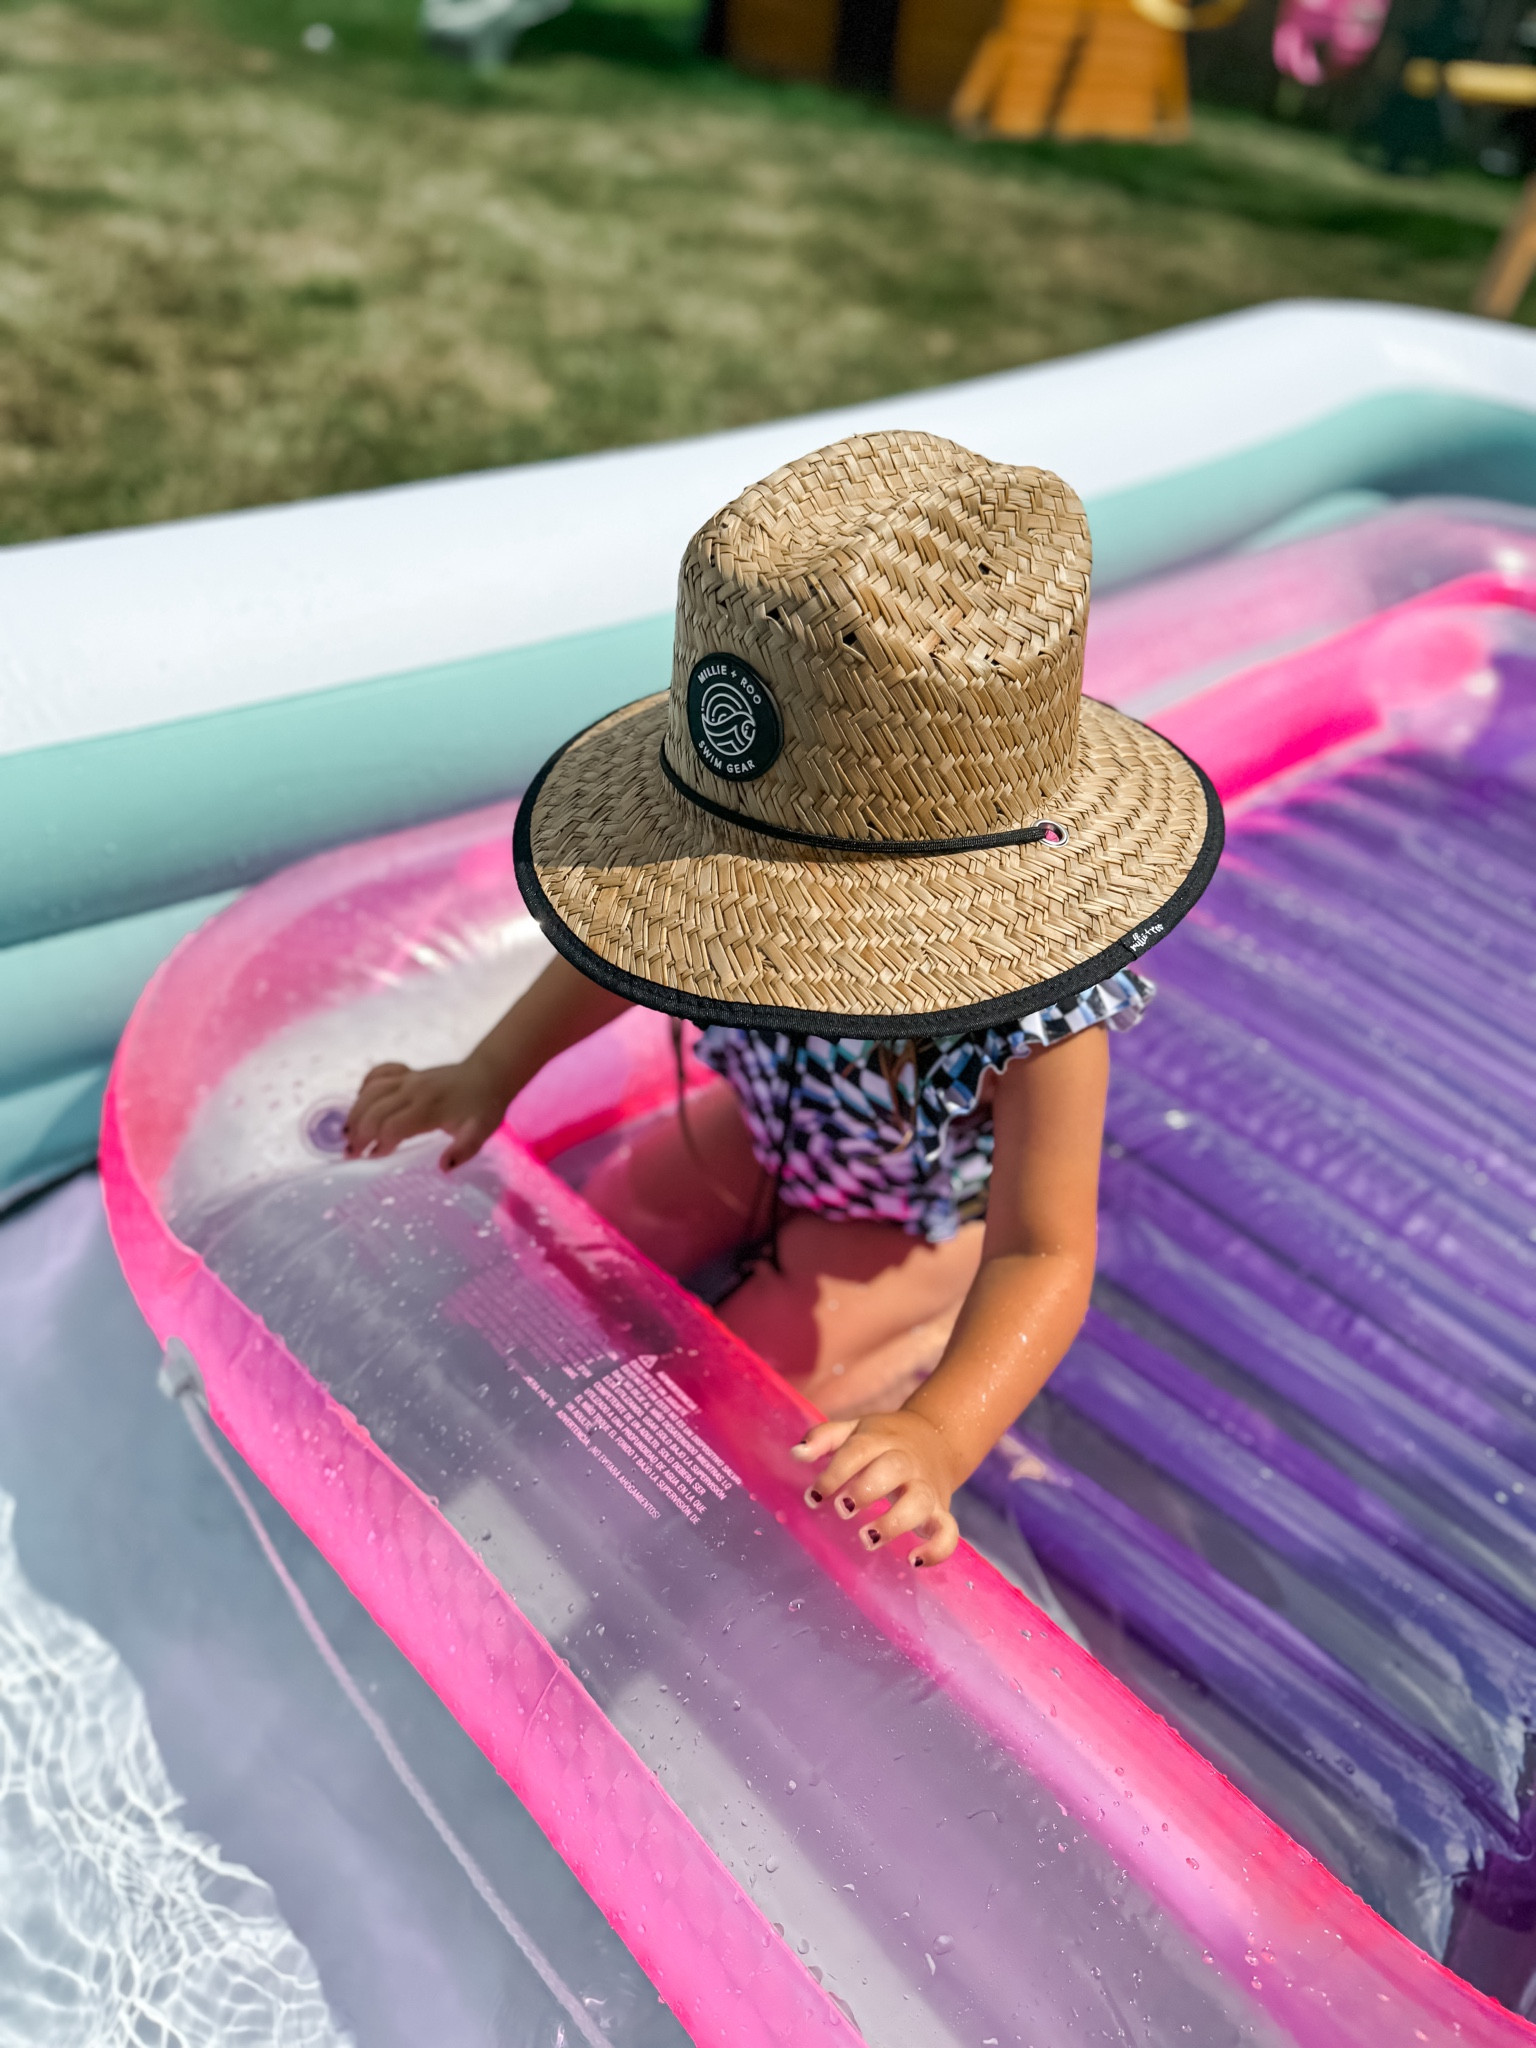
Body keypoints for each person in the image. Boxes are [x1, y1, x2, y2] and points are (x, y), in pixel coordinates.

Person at [344, 431, 1222, 1571]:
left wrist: (939, 1433)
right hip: (769, 1133)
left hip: (909, 1224)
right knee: (601, 1229)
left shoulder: (1041, 1015)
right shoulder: (725, 876)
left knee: (737, 1394)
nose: (747, 915)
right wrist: (486, 1071)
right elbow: (614, 956)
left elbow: (1047, 1251)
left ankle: (903, 1360)